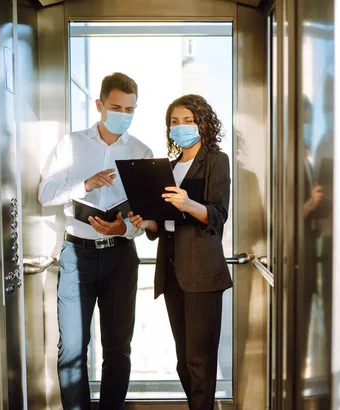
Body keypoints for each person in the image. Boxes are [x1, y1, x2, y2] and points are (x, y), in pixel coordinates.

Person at [38, 72, 153, 410]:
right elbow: (44, 194)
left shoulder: (141, 151)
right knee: (72, 348)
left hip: (121, 258)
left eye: (130, 110)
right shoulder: (71, 144)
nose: (123, 115)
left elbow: (143, 218)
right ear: (100, 105)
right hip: (77, 254)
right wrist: (84, 185)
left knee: (118, 347)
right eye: (117, 107)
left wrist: (124, 229)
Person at [128, 94, 232, 410]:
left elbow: (217, 215)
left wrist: (188, 203)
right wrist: (146, 220)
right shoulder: (169, 167)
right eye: (175, 122)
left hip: (202, 272)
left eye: (188, 120)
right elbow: (165, 225)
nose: (180, 126)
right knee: (183, 362)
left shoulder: (216, 160)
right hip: (171, 270)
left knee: (200, 362)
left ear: (202, 123)